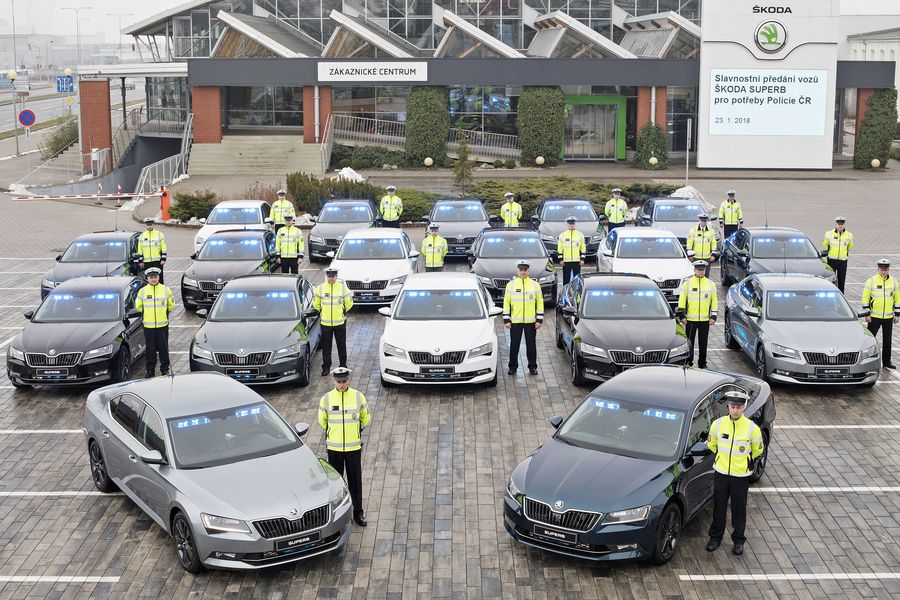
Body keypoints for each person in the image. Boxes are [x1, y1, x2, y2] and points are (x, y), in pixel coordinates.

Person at [706, 391, 765, 556]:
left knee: (739, 510)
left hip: (740, 476)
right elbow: (712, 445)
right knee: (719, 508)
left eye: (739, 407)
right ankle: (715, 538)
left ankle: (738, 541)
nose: (735, 410)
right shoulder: (717, 424)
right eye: (733, 407)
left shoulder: (752, 429)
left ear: (743, 407)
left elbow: (757, 449)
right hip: (721, 474)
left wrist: (745, 463)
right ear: (728, 407)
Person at [317, 367, 371, 527]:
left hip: (353, 448)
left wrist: (354, 431)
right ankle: (337, 516)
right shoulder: (326, 399)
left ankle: (358, 513)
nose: (341, 384)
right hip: (334, 449)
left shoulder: (358, 397)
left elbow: (365, 418)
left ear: (349, 380)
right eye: (339, 382)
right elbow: (322, 421)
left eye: (344, 381)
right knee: (336, 484)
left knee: (355, 482)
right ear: (334, 381)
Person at [503, 260, 544, 375]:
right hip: (515, 321)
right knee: (514, 345)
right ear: (517, 270)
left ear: (528, 270)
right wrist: (506, 319)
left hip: (531, 321)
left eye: (525, 270)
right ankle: (512, 367)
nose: (523, 272)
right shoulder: (510, 285)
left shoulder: (535, 285)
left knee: (531, 346)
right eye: (521, 270)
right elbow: (506, 303)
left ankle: (532, 367)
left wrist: (539, 320)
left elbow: (539, 303)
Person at [677, 260, 717, 369]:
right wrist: (681, 316)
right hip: (690, 320)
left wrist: (713, 316)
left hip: (704, 320)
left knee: (703, 343)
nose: (701, 272)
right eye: (699, 270)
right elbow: (682, 300)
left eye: (703, 270)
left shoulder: (710, 284)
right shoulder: (687, 284)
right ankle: (689, 362)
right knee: (690, 343)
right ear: (694, 270)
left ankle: (702, 363)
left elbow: (714, 301)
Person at [313, 267, 354, 375]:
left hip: (339, 323)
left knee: (341, 345)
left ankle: (343, 365)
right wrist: (321, 313)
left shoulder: (342, 288)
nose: (331, 278)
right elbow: (316, 305)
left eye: (333, 276)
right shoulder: (320, 288)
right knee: (326, 347)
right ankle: (326, 367)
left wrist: (342, 312)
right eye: (329, 276)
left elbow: (349, 303)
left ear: (336, 276)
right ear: (327, 276)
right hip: (326, 324)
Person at [135, 267, 175, 378]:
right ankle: (150, 370)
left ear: (158, 278)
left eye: (155, 277)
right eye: (151, 277)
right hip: (148, 326)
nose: (153, 279)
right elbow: (138, 307)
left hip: (162, 325)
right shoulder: (142, 291)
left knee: (164, 348)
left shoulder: (166, 290)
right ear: (147, 278)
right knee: (150, 349)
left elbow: (171, 305)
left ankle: (164, 369)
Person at [862, 258, 900, 369]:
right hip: (874, 317)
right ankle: (866, 361)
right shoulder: (871, 281)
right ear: (877, 269)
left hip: (888, 317)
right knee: (870, 340)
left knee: (887, 341)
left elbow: (897, 298)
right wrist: (867, 313)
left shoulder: (893, 281)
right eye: (881, 269)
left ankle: (887, 362)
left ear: (888, 270)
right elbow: (865, 297)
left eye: (886, 269)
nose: (883, 271)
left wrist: (897, 314)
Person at [822, 216, 854, 293]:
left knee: (841, 280)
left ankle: (841, 295)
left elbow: (850, 246)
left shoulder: (849, 235)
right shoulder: (829, 234)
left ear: (844, 225)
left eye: (842, 224)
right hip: (832, 260)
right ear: (836, 224)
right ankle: (829, 293)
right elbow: (825, 245)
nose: (840, 226)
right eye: (839, 224)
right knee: (830, 279)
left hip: (842, 261)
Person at [557, 216, 585, 285]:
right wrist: (560, 259)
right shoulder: (562, 235)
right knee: (566, 279)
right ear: (567, 224)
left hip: (577, 261)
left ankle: (577, 292)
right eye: (570, 224)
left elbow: (583, 247)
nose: (571, 225)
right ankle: (565, 291)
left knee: (577, 279)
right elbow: (560, 248)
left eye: (572, 224)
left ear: (574, 224)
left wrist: (582, 259)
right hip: (566, 262)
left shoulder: (580, 235)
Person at [138, 217, 167, 283]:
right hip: (147, 262)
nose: (149, 226)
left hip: (157, 261)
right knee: (149, 278)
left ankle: (160, 291)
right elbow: (140, 249)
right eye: (148, 225)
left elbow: (164, 248)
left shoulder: (159, 234)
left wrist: (163, 259)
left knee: (159, 278)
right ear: (146, 225)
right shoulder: (142, 236)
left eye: (150, 224)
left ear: (153, 224)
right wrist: (140, 261)